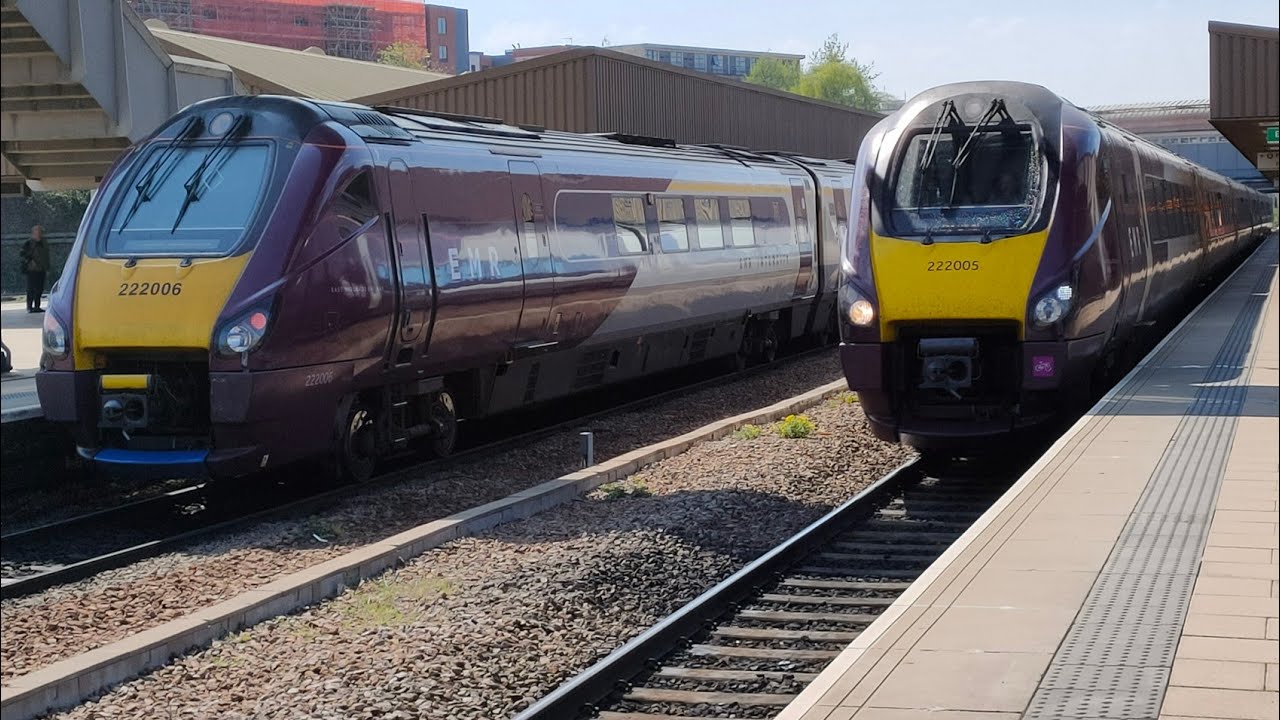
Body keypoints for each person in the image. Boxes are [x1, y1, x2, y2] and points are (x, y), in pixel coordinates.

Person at [20, 224, 49, 313]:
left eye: (40, 231)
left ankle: (37, 306)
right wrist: (29, 260)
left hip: (42, 269)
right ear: (33, 233)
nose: (39, 233)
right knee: (31, 288)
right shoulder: (28, 243)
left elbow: (46, 256)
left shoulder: (44, 242)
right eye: (37, 231)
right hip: (31, 269)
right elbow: (22, 254)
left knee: (39, 288)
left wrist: (47, 267)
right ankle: (29, 306)